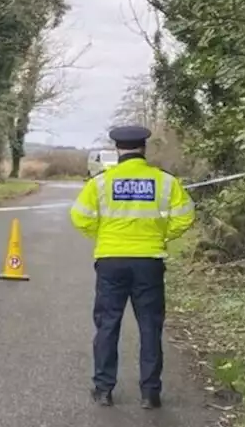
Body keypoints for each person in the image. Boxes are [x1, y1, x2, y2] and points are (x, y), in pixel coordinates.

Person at [69, 126, 195, 409]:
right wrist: (163, 235)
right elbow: (186, 215)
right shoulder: (164, 182)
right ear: (143, 148)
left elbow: (79, 217)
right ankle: (150, 393)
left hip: (111, 261)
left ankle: (103, 390)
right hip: (149, 261)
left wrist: (102, 236)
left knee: (108, 324)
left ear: (117, 149)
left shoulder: (101, 182)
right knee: (150, 326)